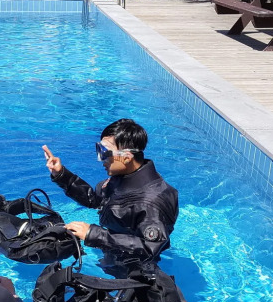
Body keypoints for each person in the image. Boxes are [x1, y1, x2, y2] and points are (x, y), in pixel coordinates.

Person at [42, 118, 179, 277]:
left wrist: (93, 234)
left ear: (126, 157)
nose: (100, 159)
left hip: (134, 268)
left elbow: (149, 248)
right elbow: (95, 200)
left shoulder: (151, 202)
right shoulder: (124, 177)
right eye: (99, 149)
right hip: (114, 249)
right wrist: (62, 174)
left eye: (105, 153)